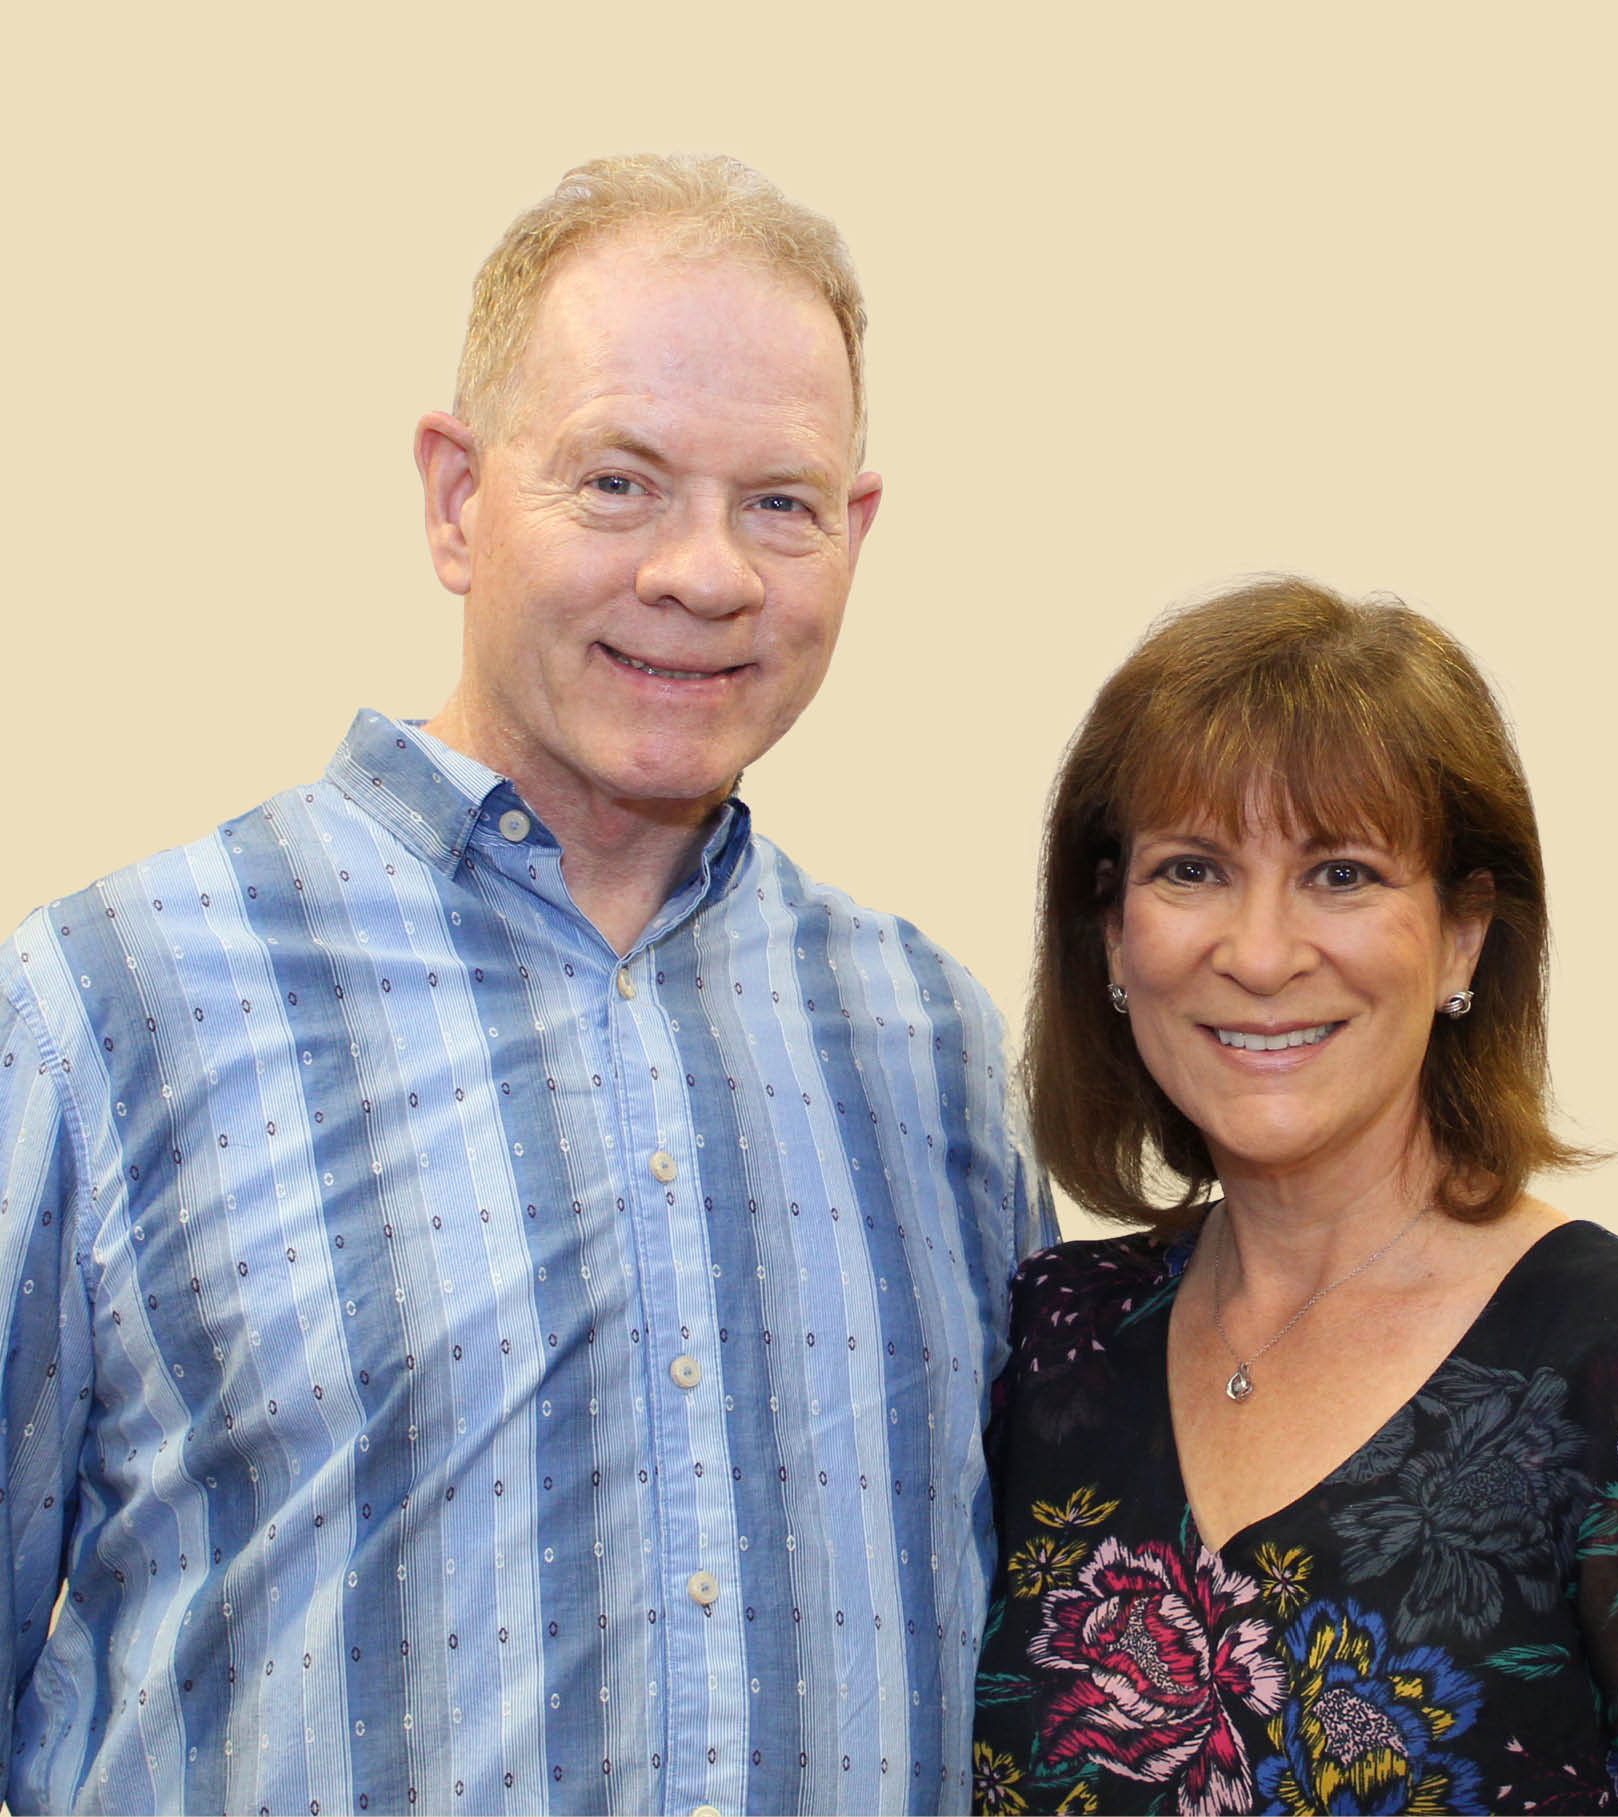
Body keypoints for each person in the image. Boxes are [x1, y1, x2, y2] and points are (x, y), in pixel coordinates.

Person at [0, 154, 1052, 1816]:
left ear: (851, 533)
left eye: (777, 501)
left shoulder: (928, 1048)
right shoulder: (107, 1009)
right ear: (453, 498)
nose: (704, 572)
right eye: (619, 482)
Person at [970, 577, 1618, 1815]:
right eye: (1191, 868)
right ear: (1108, 934)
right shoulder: (1051, 1345)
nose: (1258, 952)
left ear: (1464, 934)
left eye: (1342, 874)